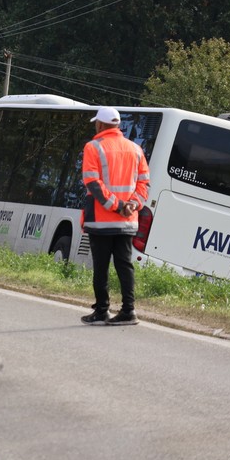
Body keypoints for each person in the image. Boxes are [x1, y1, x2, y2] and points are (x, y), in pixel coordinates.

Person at [80, 106, 150, 326]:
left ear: (100, 124)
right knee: (124, 265)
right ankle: (129, 311)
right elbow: (144, 184)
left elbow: (93, 183)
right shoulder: (136, 149)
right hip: (127, 221)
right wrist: (132, 205)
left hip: (102, 220)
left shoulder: (93, 147)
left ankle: (102, 310)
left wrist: (117, 206)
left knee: (101, 266)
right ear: (117, 125)